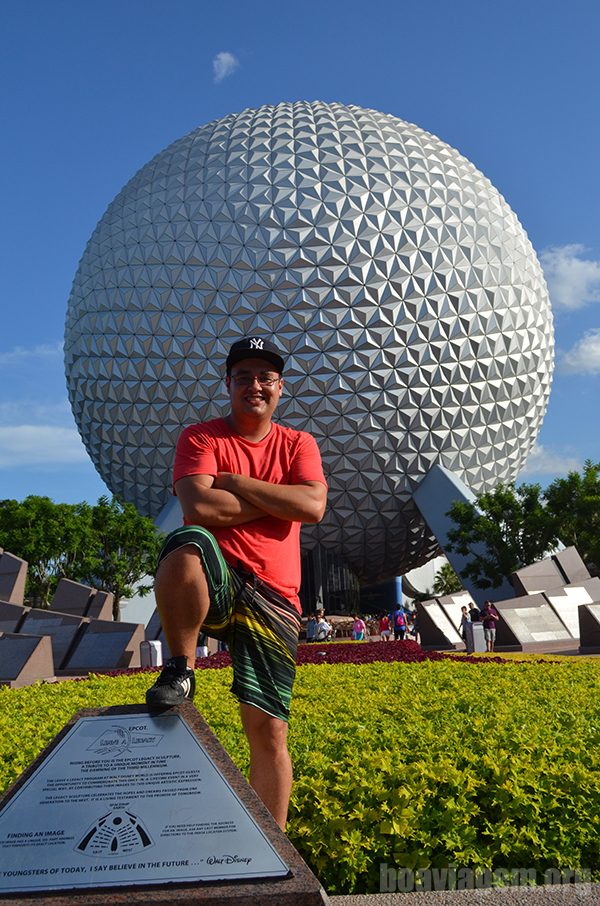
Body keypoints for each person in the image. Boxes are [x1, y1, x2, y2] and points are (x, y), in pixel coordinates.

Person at [145, 336, 327, 830]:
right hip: (220, 580)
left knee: (269, 731)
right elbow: (199, 507)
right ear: (228, 383)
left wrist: (236, 483)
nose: (255, 386)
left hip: (276, 594)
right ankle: (180, 668)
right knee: (187, 543)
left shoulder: (298, 443)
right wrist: (277, 499)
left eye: (265, 378)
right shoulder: (200, 438)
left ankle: (274, 853)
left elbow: (312, 507)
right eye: (243, 376)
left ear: (280, 388)